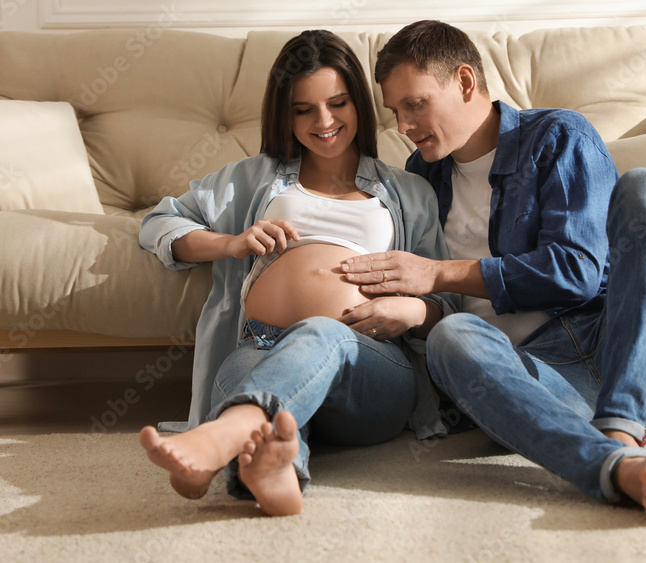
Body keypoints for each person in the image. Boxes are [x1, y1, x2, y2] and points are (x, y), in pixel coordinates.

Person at [340, 20, 646, 524]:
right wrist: (415, 307)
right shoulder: (421, 175)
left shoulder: (558, 136)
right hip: (541, 381)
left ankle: (622, 428)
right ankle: (613, 463)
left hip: (635, 353)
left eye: (415, 104)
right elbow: (440, 304)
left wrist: (438, 274)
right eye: (395, 111)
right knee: (452, 337)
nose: (403, 125)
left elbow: (578, 270)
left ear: (465, 82)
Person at [137, 30, 456, 516]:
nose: (324, 122)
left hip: (366, 363)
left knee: (319, 334)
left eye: (338, 103)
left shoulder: (410, 192)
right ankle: (276, 471)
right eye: (303, 109)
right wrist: (233, 242)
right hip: (259, 345)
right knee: (245, 381)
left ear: (359, 104)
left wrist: (411, 308)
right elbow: (158, 222)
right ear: (283, 115)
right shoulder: (253, 177)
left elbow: (447, 303)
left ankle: (217, 438)